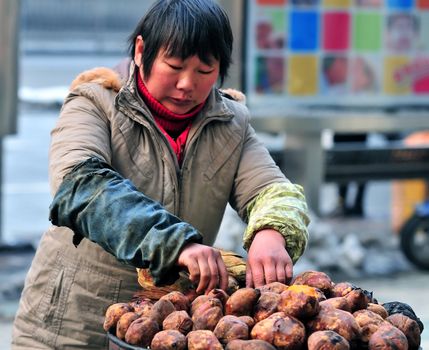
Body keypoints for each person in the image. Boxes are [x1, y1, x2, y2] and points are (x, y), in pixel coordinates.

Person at [12, 0, 309, 348]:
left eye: (204, 70)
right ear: (141, 51)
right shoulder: (95, 104)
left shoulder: (232, 123)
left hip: (170, 329)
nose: (187, 84)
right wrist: (176, 244)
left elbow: (272, 189)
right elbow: (80, 185)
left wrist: (272, 231)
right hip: (72, 323)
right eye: (175, 65)